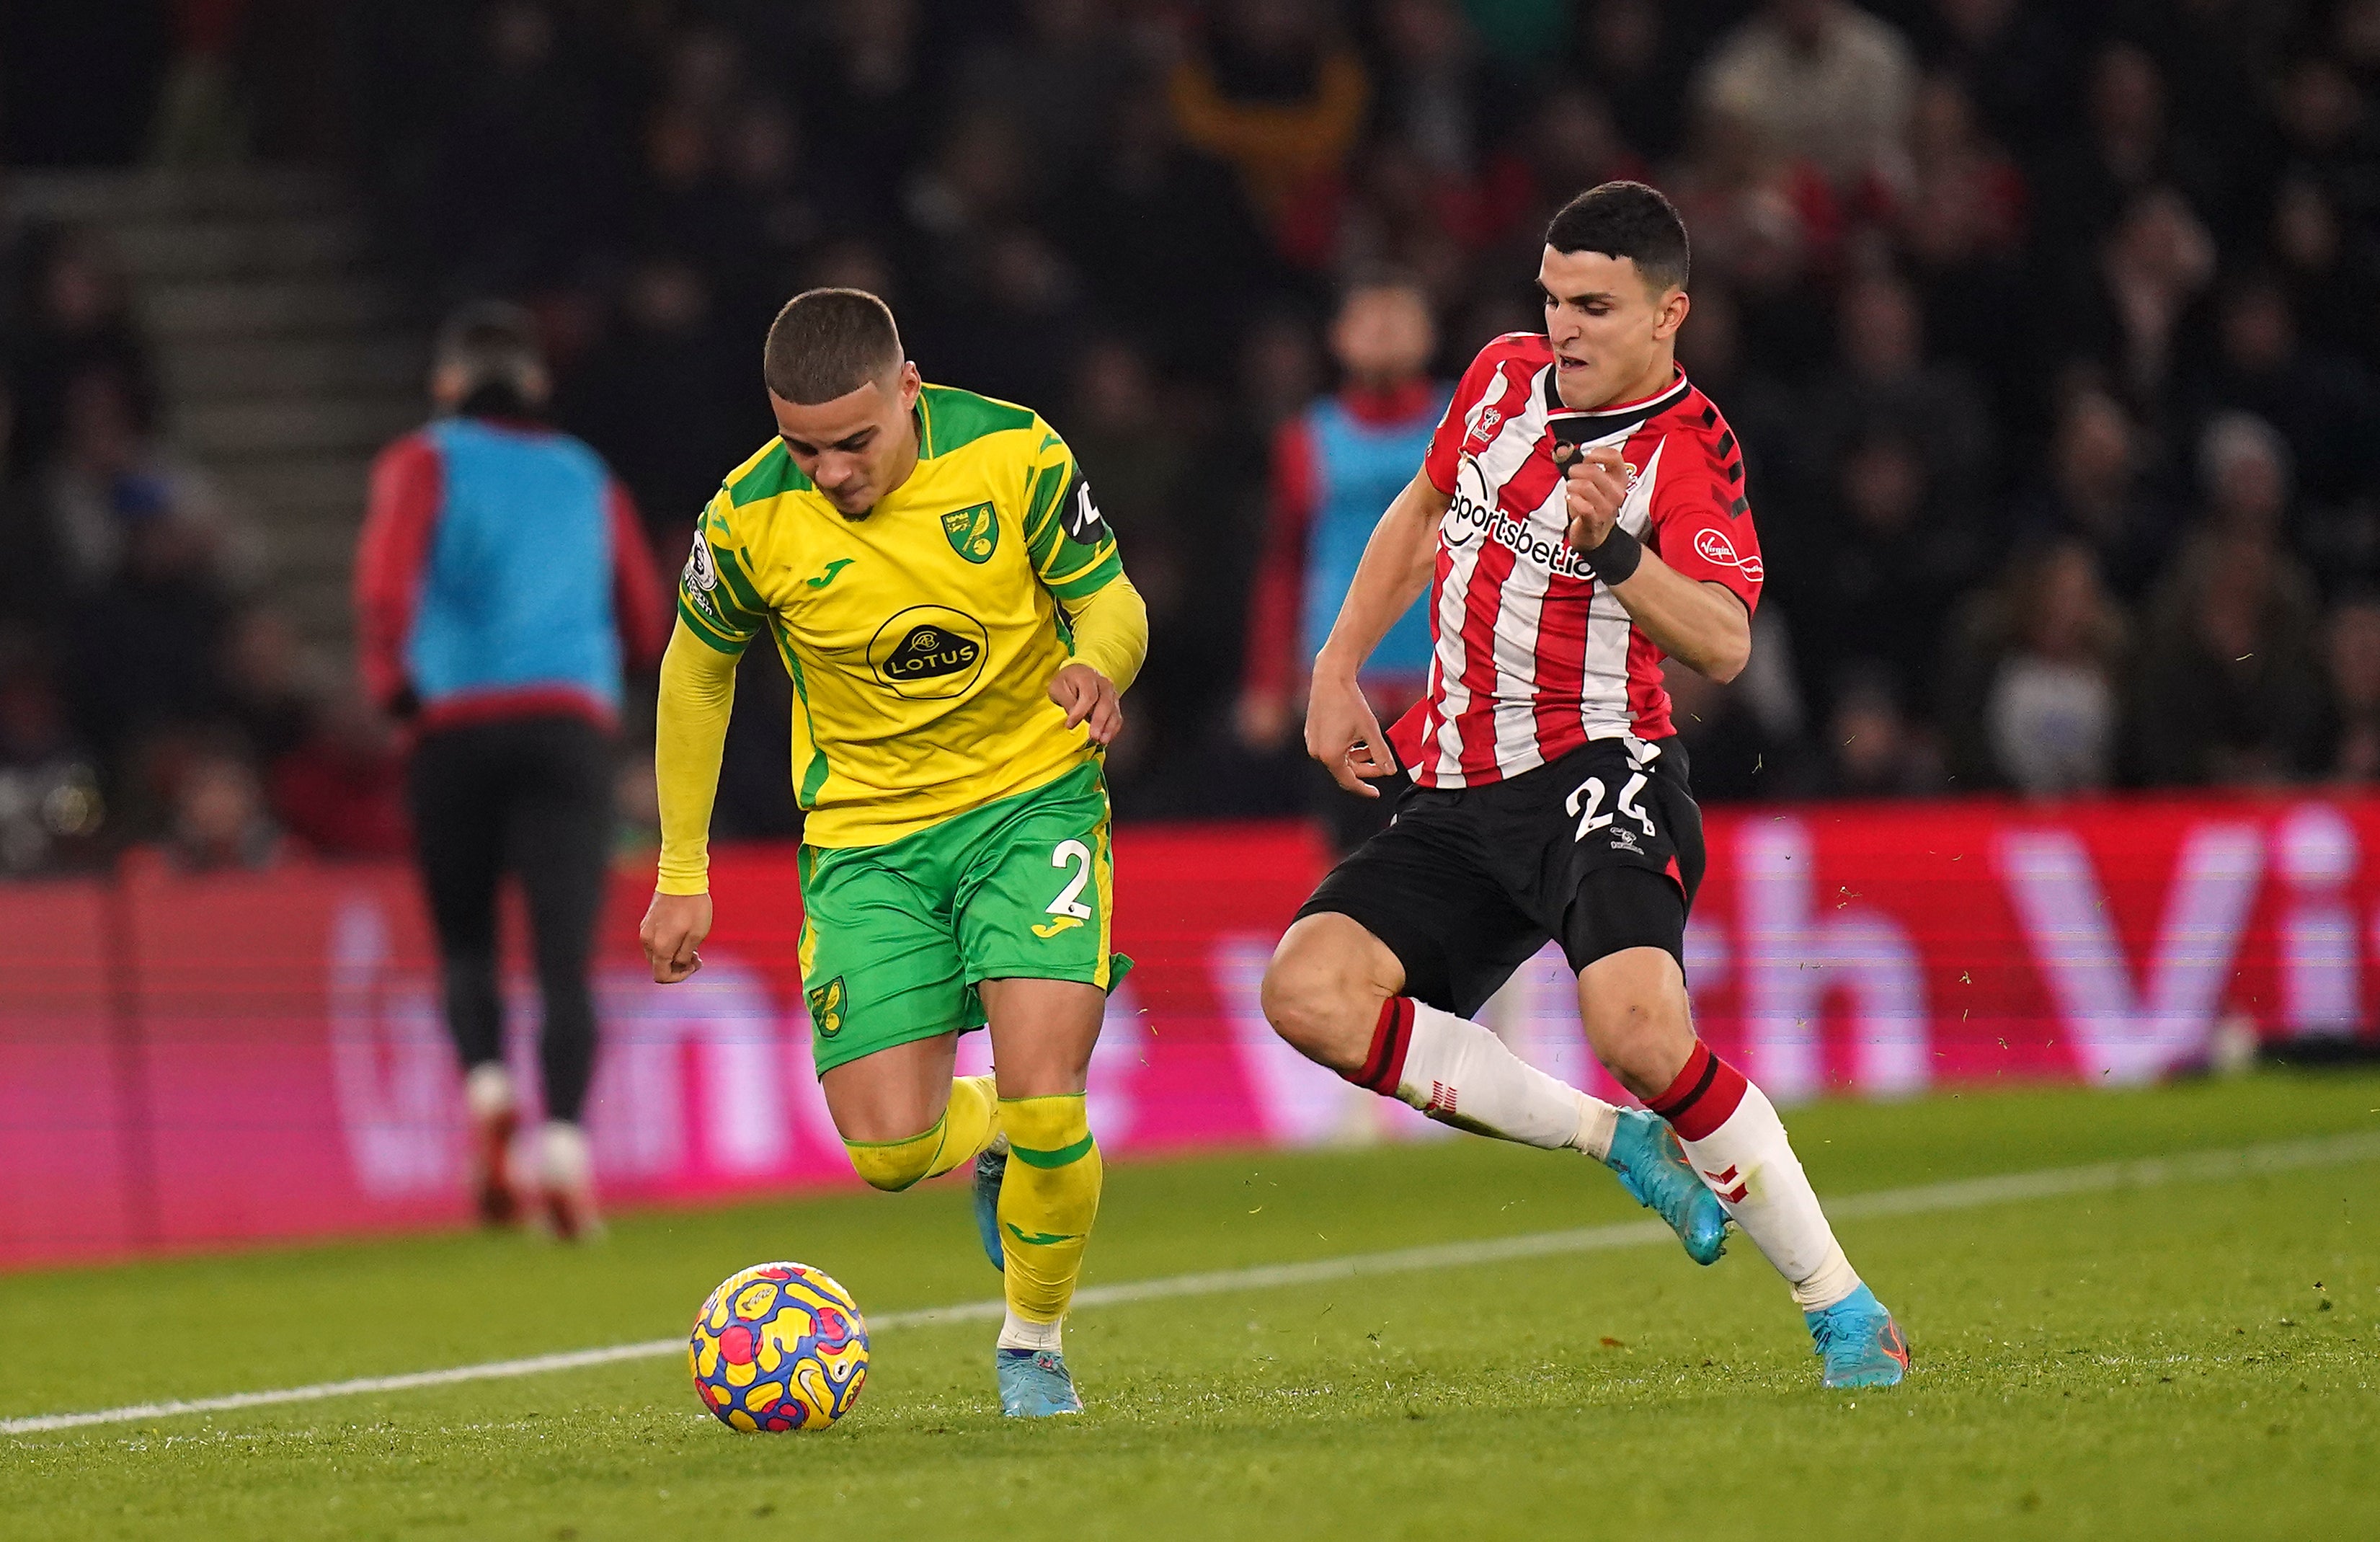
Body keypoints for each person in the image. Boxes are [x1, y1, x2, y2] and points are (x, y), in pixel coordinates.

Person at [1259, 182, 1910, 1390]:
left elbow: (1721, 641)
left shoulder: (1689, 445)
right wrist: (1337, 662)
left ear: (1670, 313)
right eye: (1552, 299)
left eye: (1595, 306)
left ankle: (1845, 1306)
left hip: (1600, 770)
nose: (1563, 329)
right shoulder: (1500, 375)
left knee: (1640, 1029)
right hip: (1455, 781)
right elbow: (1421, 507)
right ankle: (1618, 1144)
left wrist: (1614, 546)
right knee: (1307, 993)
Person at [637, 289, 1148, 1419]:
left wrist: (1098, 666)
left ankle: (1034, 1341)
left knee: (1051, 1096)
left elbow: (1110, 602)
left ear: (909, 389)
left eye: (854, 441)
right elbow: (694, 670)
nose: (827, 470)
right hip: (867, 842)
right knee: (887, 1149)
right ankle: (992, 1134)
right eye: (802, 446)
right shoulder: (744, 519)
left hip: (1030, 800)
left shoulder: (1014, 453)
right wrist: (684, 869)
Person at [354, 303, 667, 1239]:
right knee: (565, 957)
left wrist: (395, 692)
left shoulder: (421, 459)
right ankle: (565, 1143)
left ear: (448, 384)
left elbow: (382, 585)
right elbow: (646, 614)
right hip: (568, 725)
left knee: (466, 942)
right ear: (535, 386)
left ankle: (489, 1088)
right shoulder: (585, 474)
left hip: (451, 727)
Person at [1238, 271, 1451, 851]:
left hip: (1452, 679)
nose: (1382, 331)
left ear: (1429, 335)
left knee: (1460, 852)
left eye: (1398, 316)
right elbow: (1284, 563)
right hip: (1344, 683)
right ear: (1338, 338)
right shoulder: (1306, 439)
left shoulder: (1471, 421)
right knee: (1346, 859)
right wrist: (1267, 681)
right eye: (1368, 319)